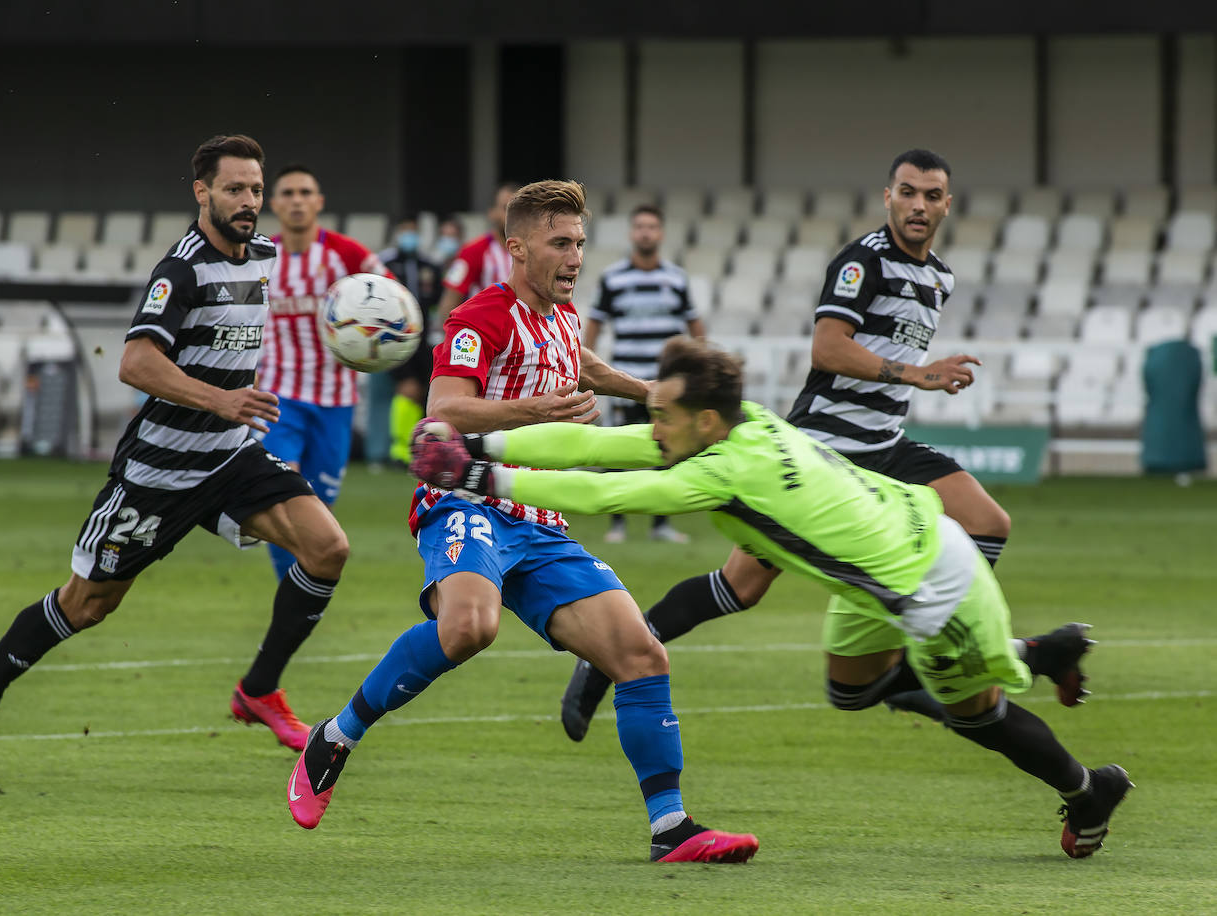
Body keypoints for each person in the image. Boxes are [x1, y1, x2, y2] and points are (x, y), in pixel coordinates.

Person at [409, 336, 1133, 860]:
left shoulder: (717, 472)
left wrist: (477, 480)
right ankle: (1033, 652)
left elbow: (611, 489)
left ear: (704, 422)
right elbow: (605, 449)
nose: (651, 427)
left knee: (981, 716)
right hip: (886, 556)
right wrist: (490, 448)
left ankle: (1086, 788)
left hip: (934, 588)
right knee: (849, 692)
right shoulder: (742, 420)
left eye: (664, 415)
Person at [285, 181, 758, 865]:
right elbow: (445, 410)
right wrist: (534, 410)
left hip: (539, 521)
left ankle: (670, 828)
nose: (575, 257)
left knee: (641, 654)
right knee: (471, 626)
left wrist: (651, 394)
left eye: (580, 244)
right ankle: (336, 735)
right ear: (517, 247)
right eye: (560, 243)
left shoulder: (562, 316)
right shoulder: (483, 316)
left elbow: (581, 364)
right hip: (466, 499)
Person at [559, 149, 1013, 738]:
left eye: (931, 195)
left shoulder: (940, 277)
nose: (918, 206)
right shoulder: (862, 263)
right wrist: (917, 374)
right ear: (888, 197)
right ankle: (601, 662)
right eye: (907, 192)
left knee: (989, 523)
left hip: (888, 444)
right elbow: (828, 348)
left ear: (947, 204)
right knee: (738, 588)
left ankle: (921, 648)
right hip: (826, 447)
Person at [0, 136, 346, 781]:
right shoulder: (179, 271)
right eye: (234, 189)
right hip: (158, 473)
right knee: (88, 605)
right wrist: (220, 399)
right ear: (202, 193)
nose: (249, 202)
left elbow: (310, 267)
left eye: (255, 189)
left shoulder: (263, 255)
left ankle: (259, 689)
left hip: (230, 460)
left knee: (327, 548)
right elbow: (135, 363)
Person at [256, 164, 392, 579]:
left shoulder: (347, 255)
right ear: (275, 203)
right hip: (279, 398)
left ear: (319, 202)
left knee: (318, 511)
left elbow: (391, 302)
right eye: (289, 193)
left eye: (305, 192)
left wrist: (374, 340)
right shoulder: (258, 256)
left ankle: (304, 588)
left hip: (335, 401)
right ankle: (290, 593)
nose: (297, 200)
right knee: (284, 500)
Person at [584, 203, 704, 544]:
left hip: (665, 384)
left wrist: (702, 368)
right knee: (617, 452)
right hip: (627, 380)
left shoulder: (676, 278)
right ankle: (617, 523)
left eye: (652, 226)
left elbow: (695, 326)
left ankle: (660, 524)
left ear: (661, 233)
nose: (646, 232)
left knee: (666, 449)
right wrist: (587, 370)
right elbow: (594, 325)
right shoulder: (614, 278)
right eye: (640, 227)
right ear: (631, 233)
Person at [378, 216, 443, 465]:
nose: (409, 235)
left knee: (427, 392)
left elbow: (439, 300)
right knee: (407, 388)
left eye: (413, 231)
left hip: (426, 340)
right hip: (395, 337)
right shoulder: (386, 263)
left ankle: (422, 448)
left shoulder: (430, 265)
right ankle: (401, 450)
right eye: (405, 230)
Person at [433, 183, 517, 327]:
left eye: (518, 210)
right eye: (505, 208)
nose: (513, 216)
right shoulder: (473, 251)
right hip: (487, 338)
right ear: (492, 213)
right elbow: (449, 303)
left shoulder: (533, 250)